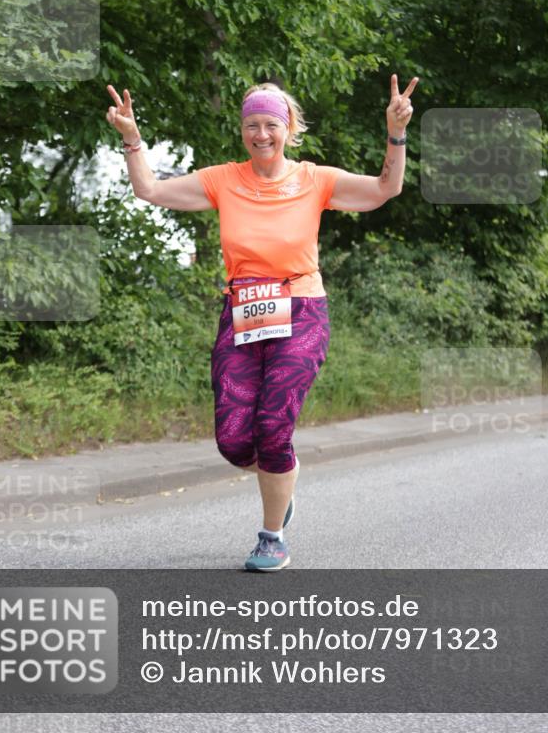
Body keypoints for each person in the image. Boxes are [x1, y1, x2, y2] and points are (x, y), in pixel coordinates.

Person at [105, 75, 418, 571]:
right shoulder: (223, 179)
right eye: (252, 124)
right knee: (234, 440)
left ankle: (271, 535)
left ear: (289, 128)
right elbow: (148, 189)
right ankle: (282, 476)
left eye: (271, 123)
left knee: (273, 427)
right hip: (243, 314)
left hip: (302, 309)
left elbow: (386, 188)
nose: (261, 133)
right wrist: (131, 137)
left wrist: (395, 133)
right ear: (243, 131)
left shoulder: (315, 179)